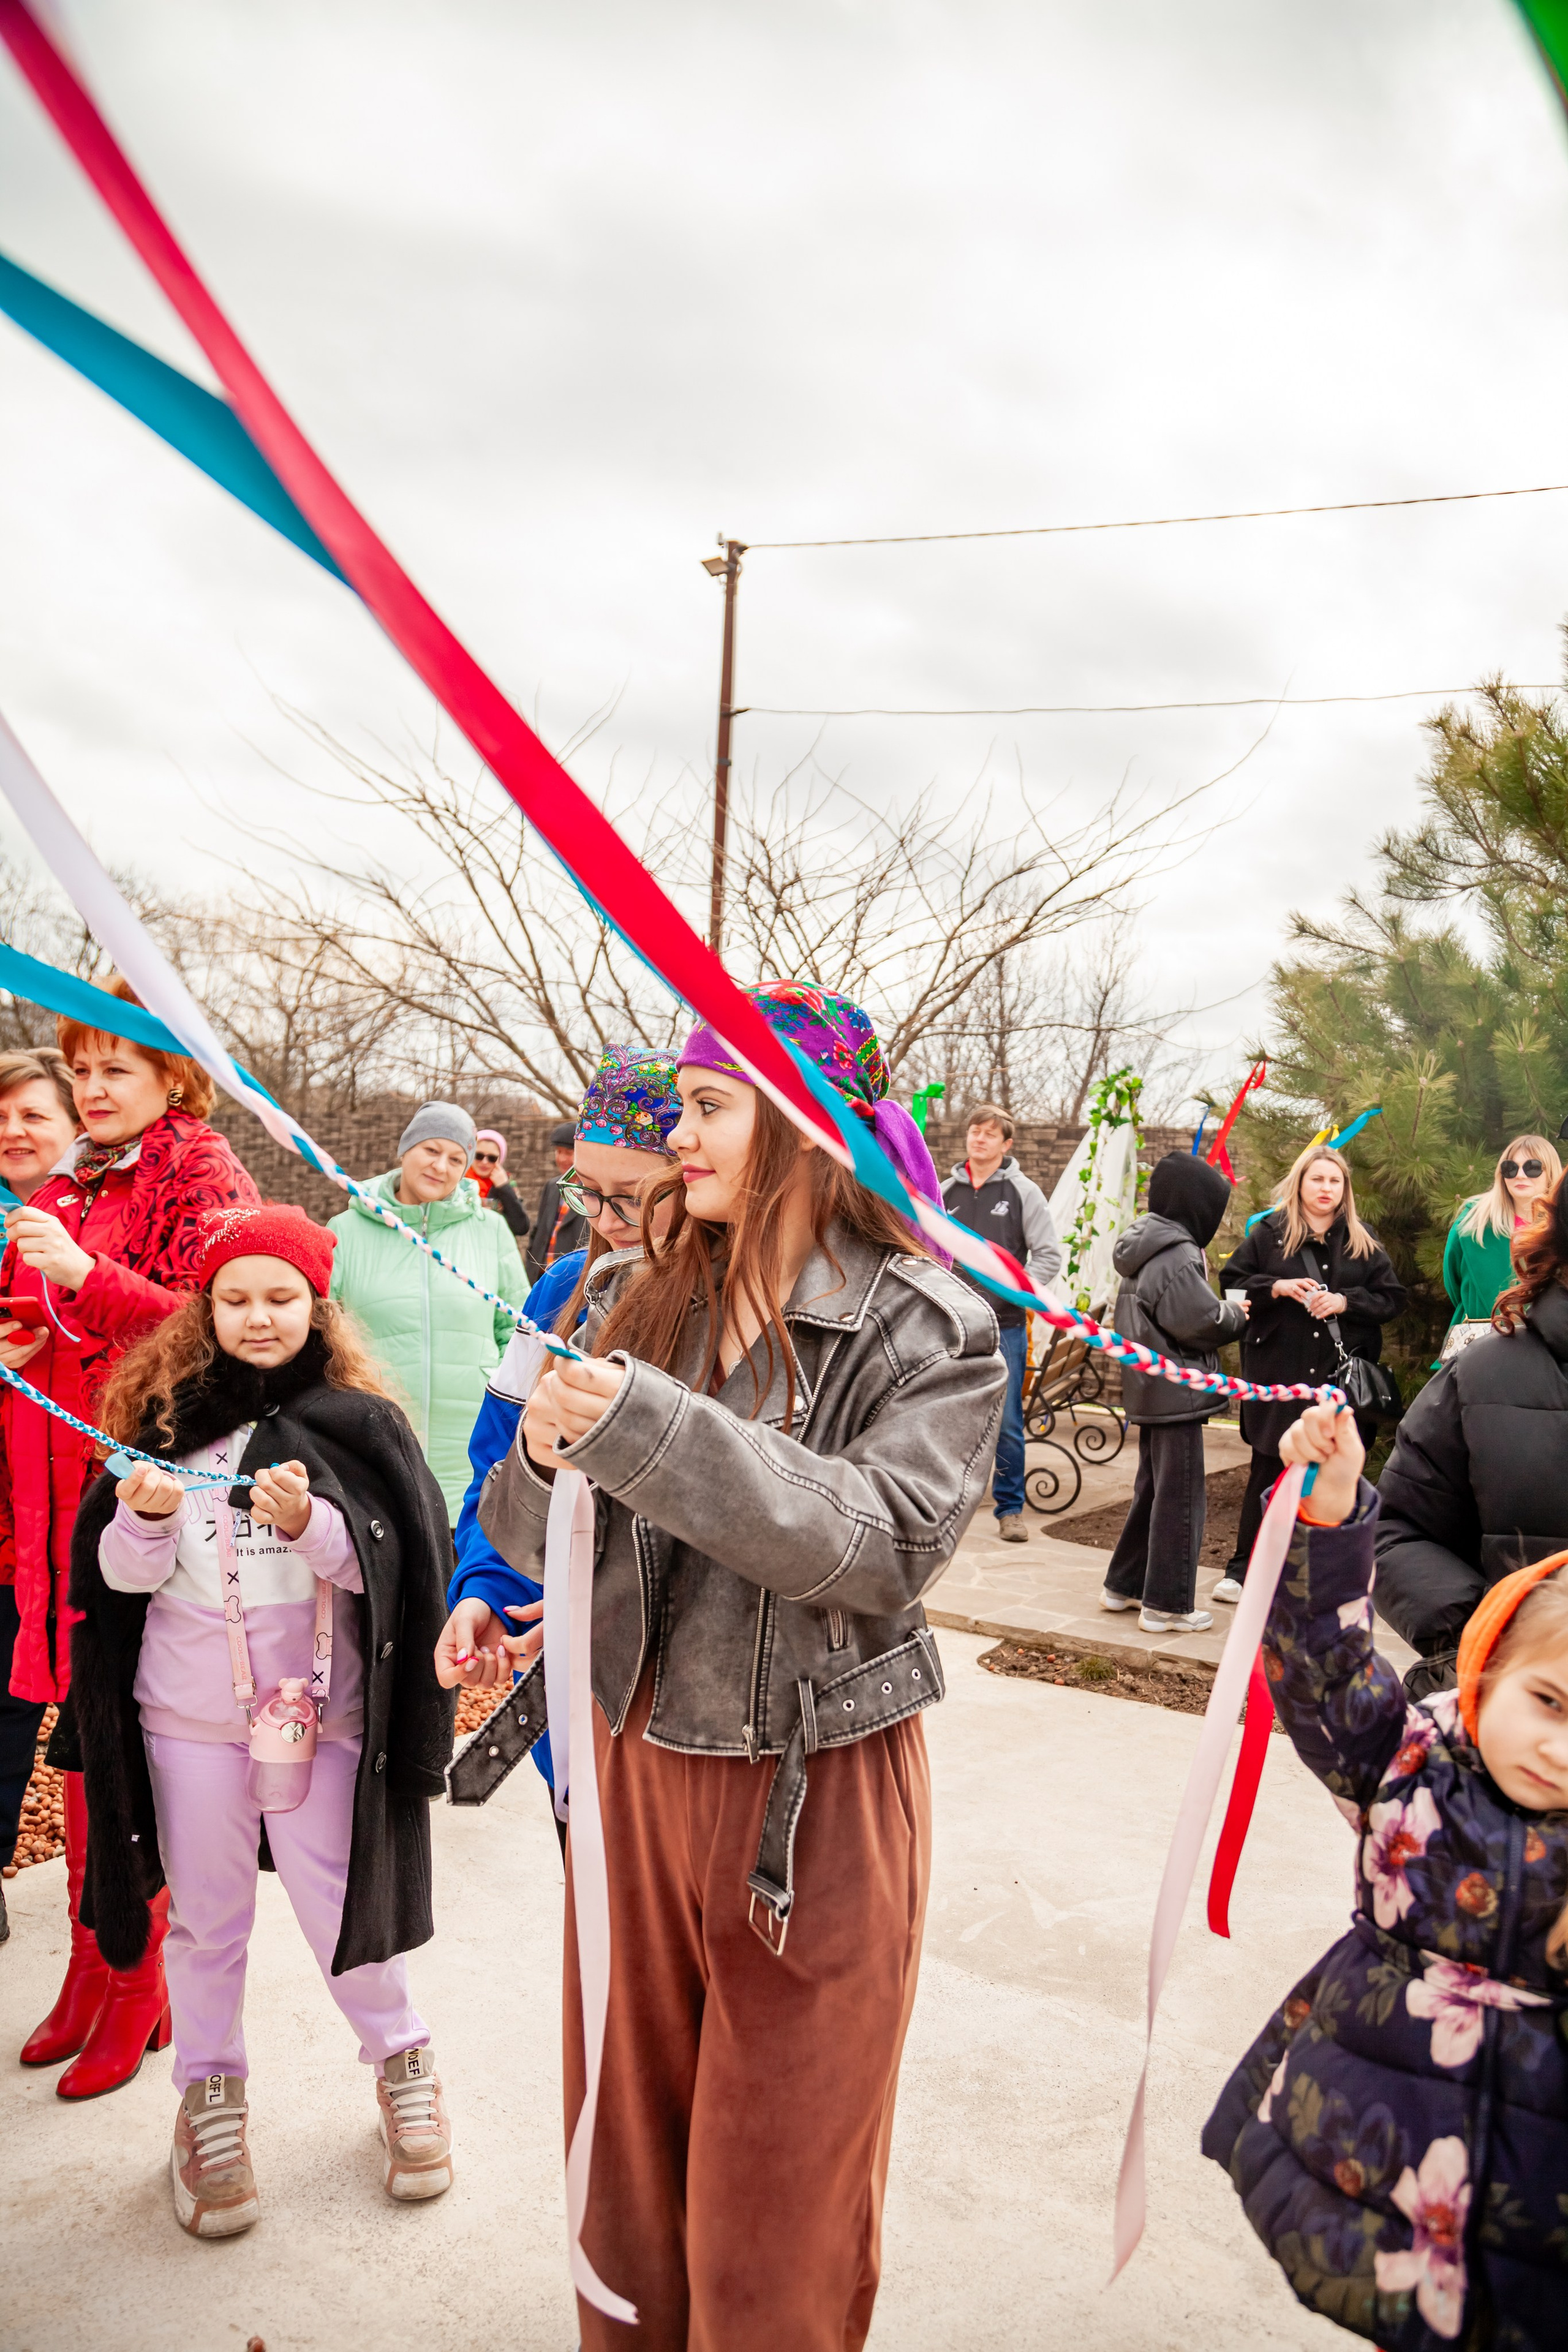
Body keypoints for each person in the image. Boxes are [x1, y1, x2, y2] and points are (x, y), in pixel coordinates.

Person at [462, 982, 1005, 2352]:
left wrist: (648, 1428)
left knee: (774, 2226)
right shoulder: (625, 1293)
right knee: (625, 2195)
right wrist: (537, 1453)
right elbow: (527, 1537)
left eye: (708, 1104)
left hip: (809, 1800)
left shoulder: (932, 1327)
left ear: (811, 1127)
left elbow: (878, 1547)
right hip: (630, 1776)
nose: (676, 1132)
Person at [70, 1205, 456, 2237]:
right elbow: (115, 1580)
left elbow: (390, 1558)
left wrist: (311, 1521)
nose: (258, 1317)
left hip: (320, 1719)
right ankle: (210, 2098)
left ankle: (401, 2057)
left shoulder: (356, 1421)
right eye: (235, 1300)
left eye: (280, 1298)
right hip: (189, 1721)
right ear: (206, 1308)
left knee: (344, 1906)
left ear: (317, 1307)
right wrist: (145, 1517)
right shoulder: (162, 1421)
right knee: (207, 1922)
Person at [1202, 1398, 1568, 2349]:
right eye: (1548, 1701)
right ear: (1484, 1673)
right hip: (1382, 2155)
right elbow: (1324, 1663)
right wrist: (1328, 1510)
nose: (1561, 1749)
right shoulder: (1410, 1764)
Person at [10, 982, 260, 2098]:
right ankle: (85, 1969)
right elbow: (37, 1310)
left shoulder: (200, 1169)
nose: (93, 1088)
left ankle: (136, 1974)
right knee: (74, 1736)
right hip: (42, 1486)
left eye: (118, 1067)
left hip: (140, 1493)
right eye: (83, 1067)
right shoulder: (70, 1180)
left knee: (124, 1737)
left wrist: (80, 1276)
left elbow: (227, 1324)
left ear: (172, 1076)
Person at [445, 1046, 685, 1831]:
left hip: (683, 1720)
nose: (608, 1223)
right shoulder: (557, 1294)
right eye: (588, 1194)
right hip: (571, 1714)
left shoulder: (731, 1311)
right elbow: (499, 1468)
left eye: (634, 1198)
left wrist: (607, 1607)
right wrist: (486, 1590)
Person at [1376, 1169, 1568, 1699]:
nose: (1521, 1177)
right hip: (1510, 1725)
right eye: (1513, 1168)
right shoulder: (1481, 1377)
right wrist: (1482, 1637)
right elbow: (1395, 1529)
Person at [1215, 1142, 1403, 1602]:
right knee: (1267, 1467)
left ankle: (1321, 1576)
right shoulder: (1268, 1235)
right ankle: (1244, 1571)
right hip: (1277, 1373)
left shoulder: (1363, 1239)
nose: (1326, 1188)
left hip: (1336, 1384)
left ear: (1345, 1190)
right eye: (1317, 1179)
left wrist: (1346, 1302)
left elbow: (1392, 1299)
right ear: (1300, 1182)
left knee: (1330, 1473)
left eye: (1335, 1181)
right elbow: (1231, 1284)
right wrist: (1276, 1287)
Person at [327, 1101, 527, 1523]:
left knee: (462, 1581)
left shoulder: (491, 1232)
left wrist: (506, 1410)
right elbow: (318, 1331)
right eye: (431, 1150)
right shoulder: (345, 1230)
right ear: (406, 1150)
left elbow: (518, 1330)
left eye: (457, 1159)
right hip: (375, 1445)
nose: (441, 1166)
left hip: (472, 1450)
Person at [0, 1049, 81, 1942]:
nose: (14, 1133)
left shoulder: (88, 1228)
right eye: (2, 1118)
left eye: (33, 1115)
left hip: (61, 1522)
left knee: (24, 1712)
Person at [1101, 1152, 1245, 1635]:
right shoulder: (1179, 1252)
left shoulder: (1145, 1244)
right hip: (1178, 1390)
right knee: (1181, 1498)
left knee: (1154, 1489)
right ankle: (1167, 1605)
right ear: (1195, 1204)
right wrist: (1238, 1313)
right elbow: (1199, 1321)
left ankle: (1123, 1585)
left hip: (1150, 1389)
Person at [941, 1102, 1063, 1544]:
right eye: (975, 1130)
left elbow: (1049, 1254)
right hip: (950, 1326)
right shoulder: (944, 1192)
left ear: (1006, 1144)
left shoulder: (1022, 1192)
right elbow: (925, 1248)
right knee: (947, 1415)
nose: (980, 1138)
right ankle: (945, 1501)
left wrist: (1020, 1292)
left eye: (991, 1133)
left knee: (1007, 1421)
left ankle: (1010, 1509)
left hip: (1005, 1326)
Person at [1440, 1133, 1560, 1345]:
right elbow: (1454, 1282)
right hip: (1480, 1342)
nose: (1520, 1176)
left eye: (1532, 1167)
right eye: (1510, 1168)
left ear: (1550, 1172)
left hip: (1545, 1344)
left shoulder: (1560, 1229)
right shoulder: (1473, 1222)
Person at [525, 1119, 587, 1284]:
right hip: (541, 1277)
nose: (562, 1158)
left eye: (568, 1152)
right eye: (558, 1152)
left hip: (571, 1279)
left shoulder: (592, 1191)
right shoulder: (552, 1186)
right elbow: (540, 1231)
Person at [468, 1128, 530, 1243]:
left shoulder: (507, 1182)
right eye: (479, 1156)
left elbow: (521, 1227)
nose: (485, 1162)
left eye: (492, 1158)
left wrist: (504, 1187)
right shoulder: (459, 1180)